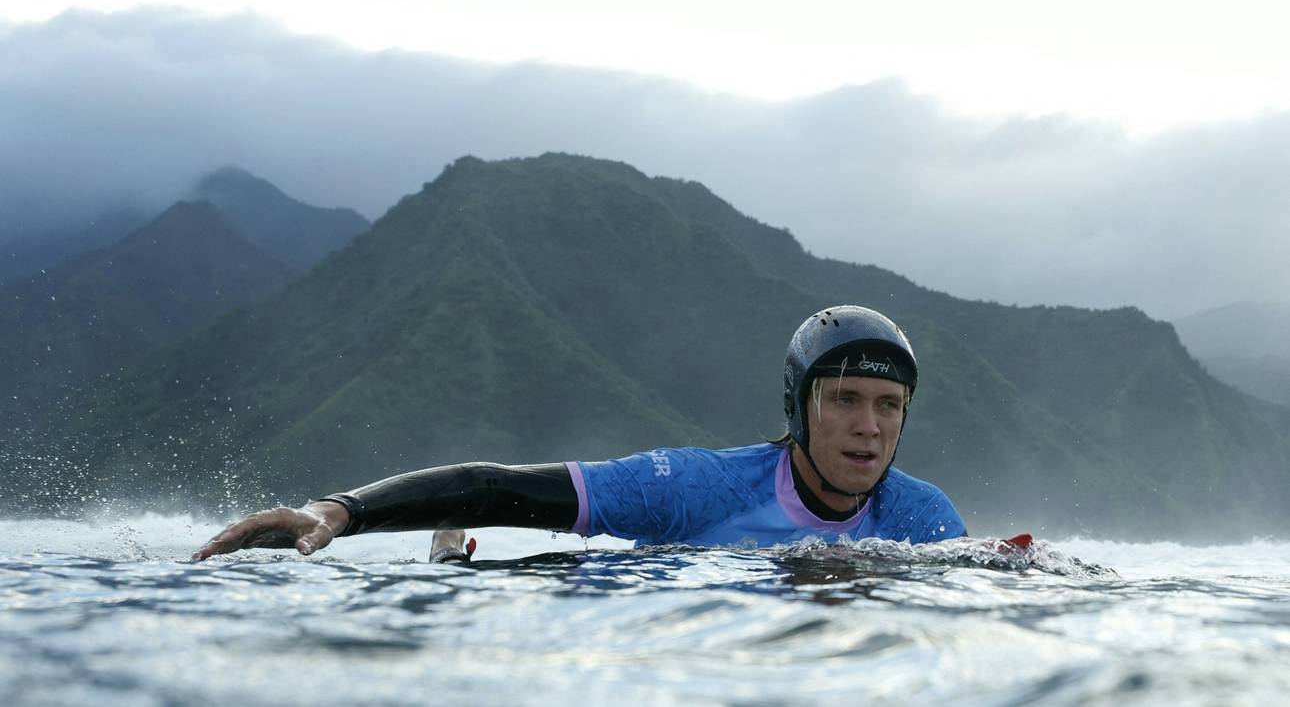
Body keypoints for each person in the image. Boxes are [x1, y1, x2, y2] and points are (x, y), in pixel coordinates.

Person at [193, 305, 965, 562]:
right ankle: (450, 564)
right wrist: (337, 511)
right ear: (799, 408)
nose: (868, 427)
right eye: (844, 399)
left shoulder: (925, 521)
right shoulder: (699, 486)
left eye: (889, 406)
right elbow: (500, 486)